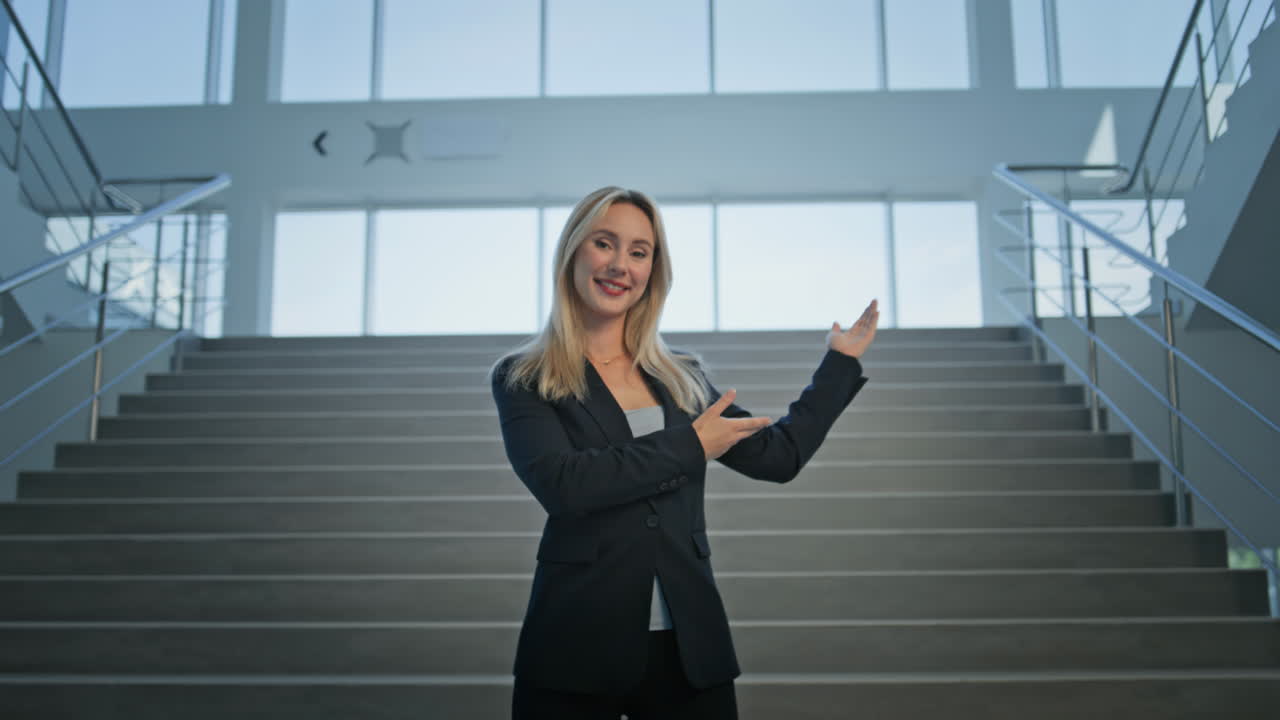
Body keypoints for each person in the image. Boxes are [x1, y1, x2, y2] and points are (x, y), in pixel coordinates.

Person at [490, 186, 878, 719]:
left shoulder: (681, 376)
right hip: (574, 644)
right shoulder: (525, 376)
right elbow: (565, 485)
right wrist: (692, 444)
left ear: (653, 269)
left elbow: (779, 456)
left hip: (688, 647)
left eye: (639, 251)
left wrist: (838, 365)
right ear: (574, 252)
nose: (619, 264)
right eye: (605, 244)